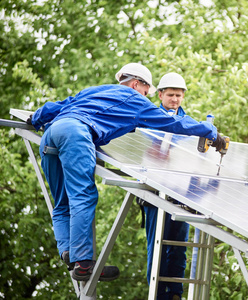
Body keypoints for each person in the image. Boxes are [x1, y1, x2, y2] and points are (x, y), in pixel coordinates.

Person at [27, 63, 226, 283]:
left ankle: (67, 252)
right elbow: (173, 122)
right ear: (135, 84)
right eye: (145, 91)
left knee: (62, 203)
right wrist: (211, 132)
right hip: (76, 133)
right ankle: (83, 264)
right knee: (83, 195)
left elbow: (57, 106)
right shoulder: (135, 101)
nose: (145, 96)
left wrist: (35, 119)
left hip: (51, 134)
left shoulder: (96, 90)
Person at [143, 73, 191, 300]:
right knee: (158, 245)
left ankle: (175, 293)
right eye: (170, 95)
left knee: (179, 245)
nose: (174, 99)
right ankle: (158, 292)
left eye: (178, 95)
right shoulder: (148, 117)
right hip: (155, 191)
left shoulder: (188, 123)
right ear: (160, 94)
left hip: (180, 192)